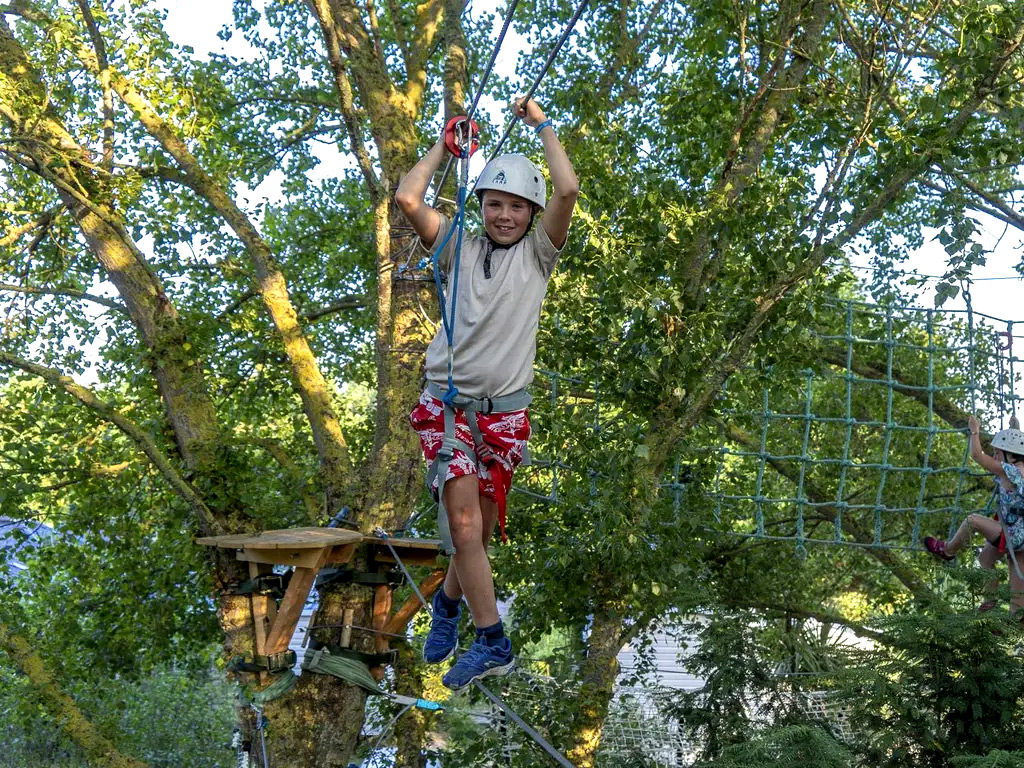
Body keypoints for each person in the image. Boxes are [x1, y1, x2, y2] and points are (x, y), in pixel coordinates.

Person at [395, 97, 578, 690]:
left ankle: (447, 606)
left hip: (504, 416)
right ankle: (492, 639)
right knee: (466, 526)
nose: (504, 215)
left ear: (530, 213)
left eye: (516, 206)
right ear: (480, 207)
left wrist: (542, 126)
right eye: (493, 204)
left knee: (477, 528)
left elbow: (568, 190)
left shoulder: (539, 257)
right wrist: (444, 148)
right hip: (446, 411)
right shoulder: (457, 249)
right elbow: (407, 200)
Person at [925, 414, 1024, 617]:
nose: (995, 456)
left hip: (1016, 534)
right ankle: (990, 608)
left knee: (973, 521)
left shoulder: (1011, 471)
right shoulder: (1019, 467)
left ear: (1012, 456)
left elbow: (978, 456)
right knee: (987, 559)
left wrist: (974, 431)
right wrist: (1015, 429)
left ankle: (948, 550)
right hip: (1015, 529)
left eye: (998, 453)